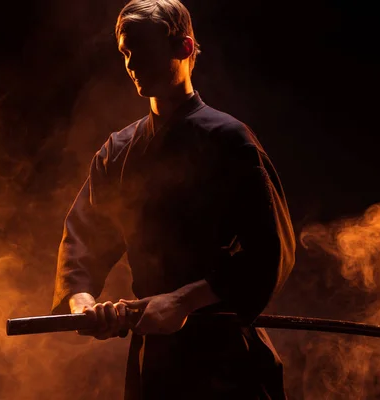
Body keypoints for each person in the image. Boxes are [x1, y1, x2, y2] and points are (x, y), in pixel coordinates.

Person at [50, 0, 296, 398]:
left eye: (142, 51)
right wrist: (84, 305)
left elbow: (270, 250)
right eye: (126, 53)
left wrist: (184, 301)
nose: (131, 64)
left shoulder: (230, 140)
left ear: (184, 48)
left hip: (227, 356)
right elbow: (83, 241)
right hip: (156, 367)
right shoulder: (118, 151)